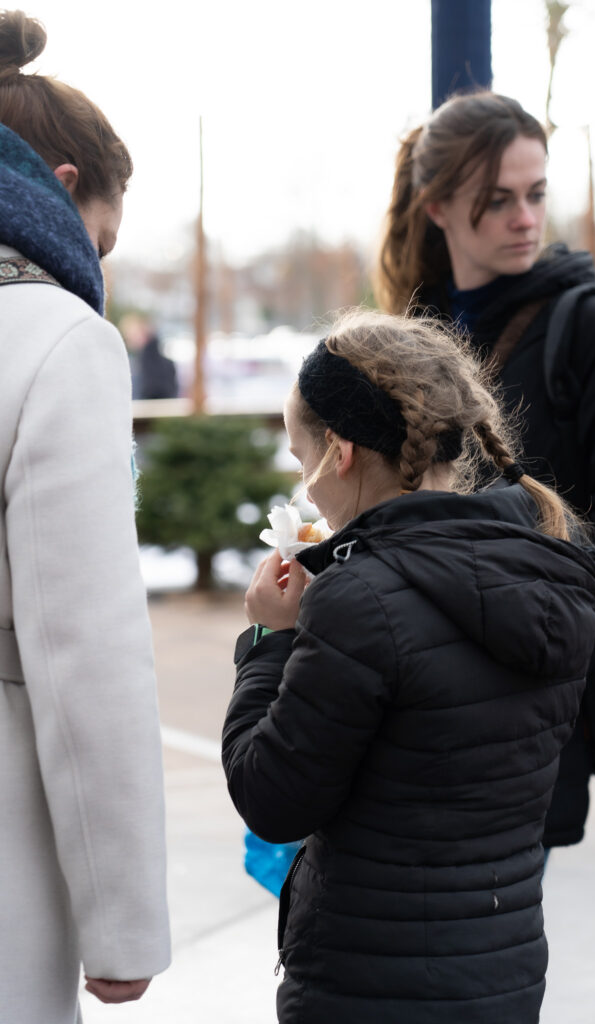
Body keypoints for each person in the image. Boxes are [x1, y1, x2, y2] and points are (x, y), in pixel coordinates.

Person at [222, 308, 595, 1023]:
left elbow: (272, 799)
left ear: (340, 453)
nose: (304, 488)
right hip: (502, 971)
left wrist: (270, 639)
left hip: (370, 983)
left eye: (301, 459)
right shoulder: (546, 568)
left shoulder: (359, 599)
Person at [374, 90, 595, 848]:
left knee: (488, 912)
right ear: (438, 207)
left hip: (529, 701)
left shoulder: (591, 328)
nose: (525, 219)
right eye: (498, 199)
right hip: (414, 689)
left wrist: (490, 580)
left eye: (536, 194)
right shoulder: (413, 334)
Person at [0, 10, 170, 1022]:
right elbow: (85, 654)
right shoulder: (56, 340)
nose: (95, 272)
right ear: (62, 189)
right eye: (101, 242)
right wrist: (123, 920)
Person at [120, 312, 179, 400]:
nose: (129, 341)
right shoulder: (144, 358)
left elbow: (150, 389)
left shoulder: (147, 360)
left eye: (131, 336)